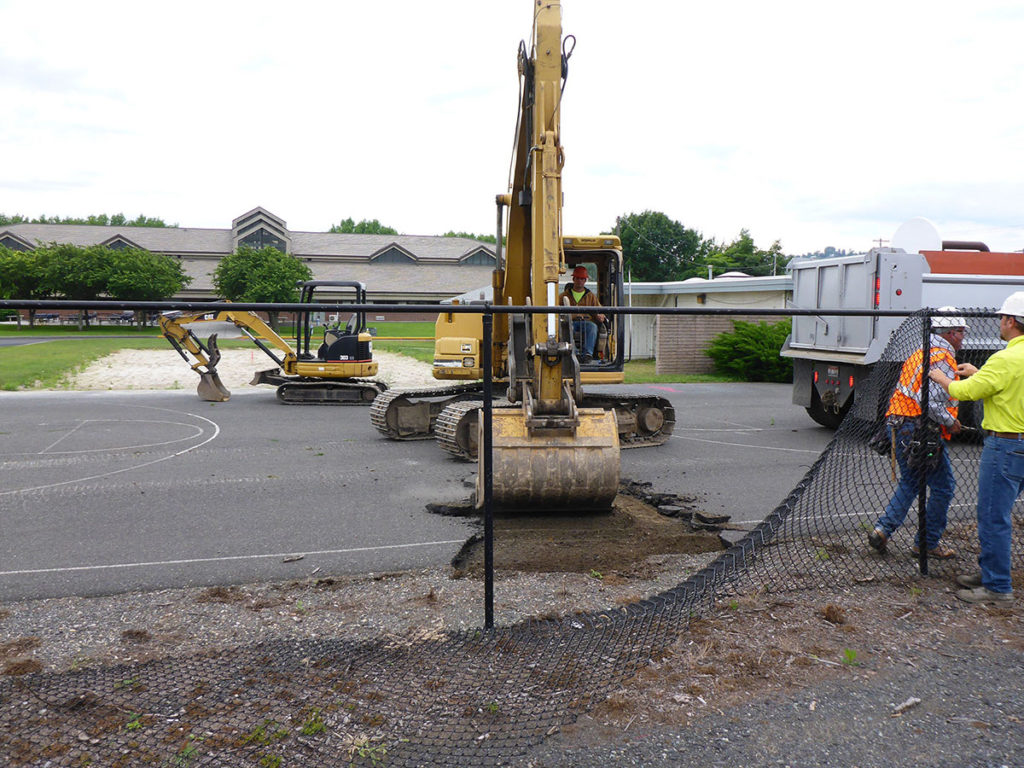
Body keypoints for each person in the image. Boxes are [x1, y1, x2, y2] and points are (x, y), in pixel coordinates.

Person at [930, 292, 1024, 605]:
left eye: (1002, 317)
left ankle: (997, 587)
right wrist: (980, 373)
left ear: (1011, 321)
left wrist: (943, 378)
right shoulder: (1012, 360)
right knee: (999, 514)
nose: (999, 322)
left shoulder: (1005, 358)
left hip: (1005, 444)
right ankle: (990, 573)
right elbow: (1006, 385)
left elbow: (965, 391)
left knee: (993, 516)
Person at [868, 307, 967, 559]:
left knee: (911, 482)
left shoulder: (920, 352)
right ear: (951, 333)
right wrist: (951, 422)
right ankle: (927, 542)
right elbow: (932, 404)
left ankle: (883, 530)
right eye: (961, 332)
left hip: (898, 423)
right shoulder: (943, 358)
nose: (963, 337)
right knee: (944, 487)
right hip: (920, 428)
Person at [560, 265, 605, 363]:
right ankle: (574, 353)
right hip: (569, 322)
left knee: (592, 327)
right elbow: (556, 311)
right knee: (567, 327)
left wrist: (600, 315)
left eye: (582, 279)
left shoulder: (591, 296)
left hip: (585, 323)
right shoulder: (563, 296)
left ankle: (587, 354)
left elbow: (599, 309)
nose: (580, 281)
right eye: (578, 278)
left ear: (585, 280)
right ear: (573, 279)